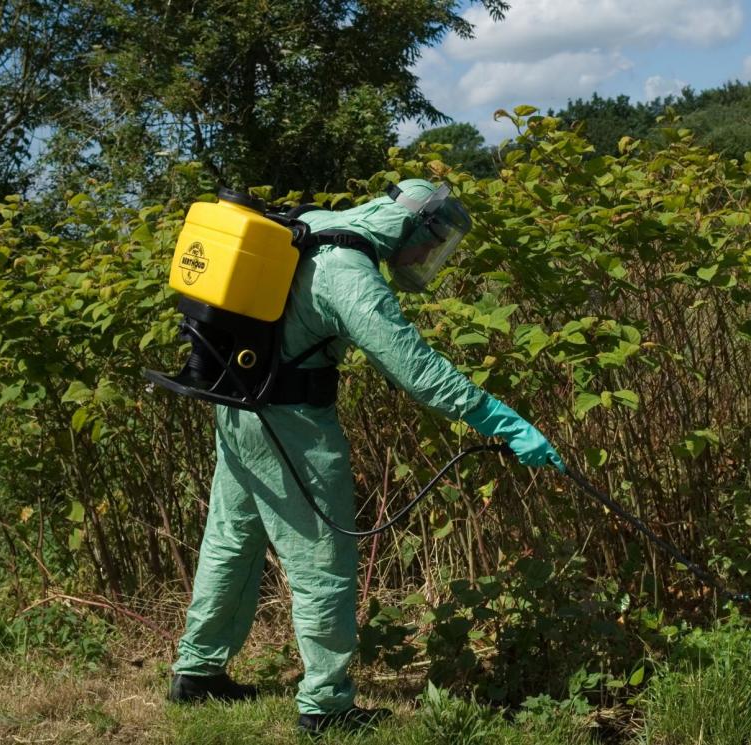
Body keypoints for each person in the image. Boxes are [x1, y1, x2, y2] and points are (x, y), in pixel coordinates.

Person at [167, 180, 565, 735]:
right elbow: (416, 369)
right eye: (432, 243)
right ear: (411, 226)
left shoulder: (322, 223)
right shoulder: (346, 272)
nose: (429, 256)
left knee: (233, 537)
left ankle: (198, 670)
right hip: (292, 421)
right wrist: (505, 422)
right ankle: (325, 703)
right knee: (322, 559)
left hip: (237, 404)